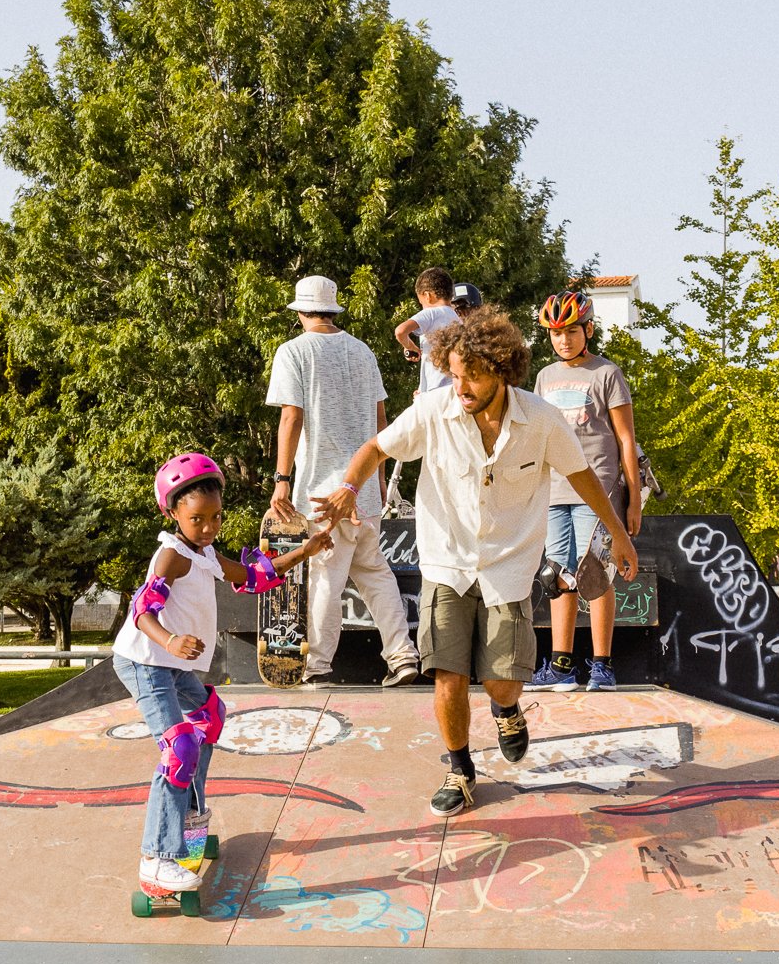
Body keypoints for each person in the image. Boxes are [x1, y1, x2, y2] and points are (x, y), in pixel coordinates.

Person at [312, 305, 637, 817]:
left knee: (504, 678)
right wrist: (349, 487)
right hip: (446, 562)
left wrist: (618, 533)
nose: (461, 387)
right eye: (456, 374)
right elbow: (376, 446)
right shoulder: (434, 411)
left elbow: (582, 477)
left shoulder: (542, 419)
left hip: (508, 565)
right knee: (448, 672)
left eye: (474, 376)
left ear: (502, 371)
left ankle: (507, 708)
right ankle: (459, 768)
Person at [113, 453, 332, 894]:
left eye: (216, 517)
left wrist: (303, 552)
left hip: (172, 668)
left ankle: (189, 815)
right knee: (179, 748)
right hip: (147, 663)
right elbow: (142, 610)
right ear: (173, 513)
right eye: (198, 519)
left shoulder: (206, 553)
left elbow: (253, 577)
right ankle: (157, 857)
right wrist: (170, 640)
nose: (210, 527)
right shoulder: (171, 556)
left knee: (210, 715)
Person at [267, 275, 421, 687]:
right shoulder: (362, 351)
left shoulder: (293, 352)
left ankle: (316, 667)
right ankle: (403, 657)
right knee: (376, 574)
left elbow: (291, 417)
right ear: (333, 310)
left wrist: (282, 479)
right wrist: (381, 480)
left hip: (322, 493)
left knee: (323, 578)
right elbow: (382, 422)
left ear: (300, 312)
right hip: (365, 488)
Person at [526, 291, 642, 694]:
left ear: (588, 330)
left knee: (595, 573)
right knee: (557, 573)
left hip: (600, 487)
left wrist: (634, 497)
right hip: (556, 488)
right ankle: (561, 666)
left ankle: (603, 665)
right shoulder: (544, 377)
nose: (563, 340)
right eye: (556, 333)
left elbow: (626, 440)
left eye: (571, 331)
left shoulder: (606, 373)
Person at [394, 267, 460, 392]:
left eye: (421, 303)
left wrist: (409, 346)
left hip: (435, 389)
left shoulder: (431, 313)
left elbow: (400, 331)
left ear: (427, 296)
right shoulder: (457, 318)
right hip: (453, 386)